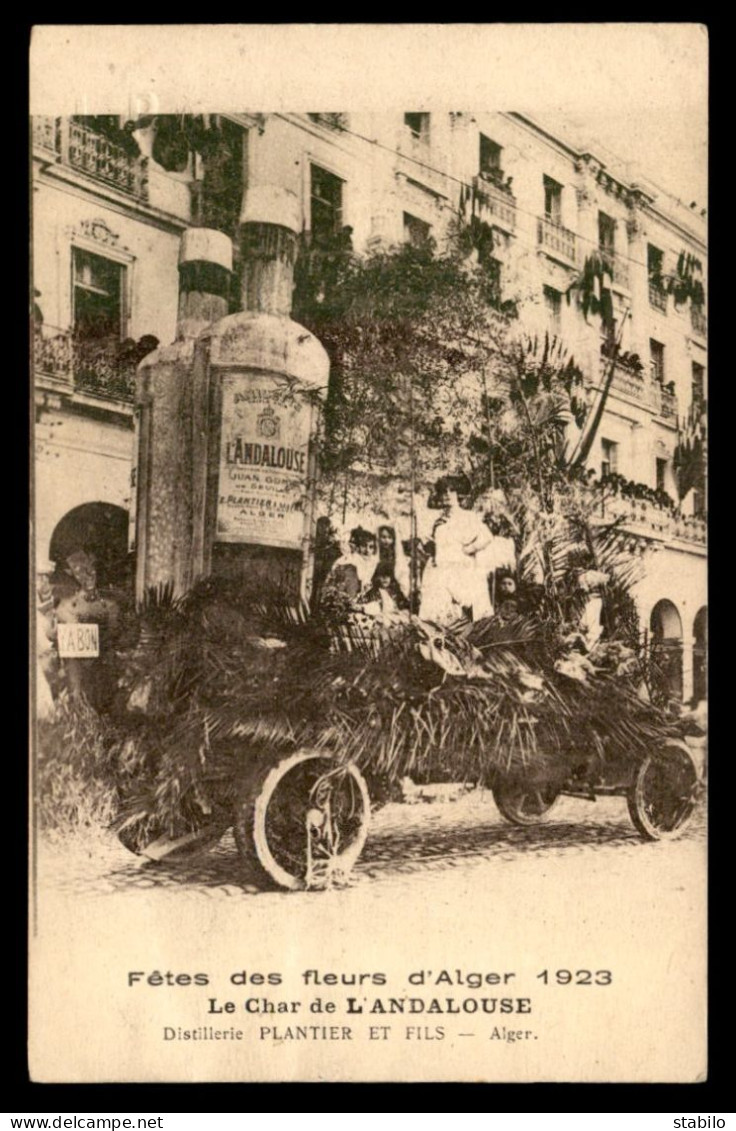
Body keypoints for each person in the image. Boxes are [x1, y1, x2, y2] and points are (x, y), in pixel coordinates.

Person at [419, 475, 494, 625]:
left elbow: (486, 536)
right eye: (443, 492)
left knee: (466, 608)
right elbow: (434, 544)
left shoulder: (467, 516)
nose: (447, 495)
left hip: (462, 568)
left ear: (458, 494)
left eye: (451, 491)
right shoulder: (438, 520)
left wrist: (469, 549)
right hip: (441, 568)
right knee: (439, 611)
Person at [376, 524, 410, 599]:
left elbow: (400, 569)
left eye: (389, 538)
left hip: (393, 582)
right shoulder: (378, 552)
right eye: (383, 537)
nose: (386, 540)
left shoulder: (395, 553)